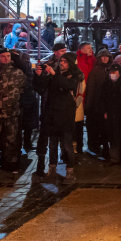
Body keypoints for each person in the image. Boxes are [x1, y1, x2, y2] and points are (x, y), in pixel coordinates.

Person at [34, 53, 83, 181]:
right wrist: (39, 76)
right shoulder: (55, 73)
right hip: (52, 114)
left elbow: (68, 86)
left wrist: (55, 75)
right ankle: (52, 169)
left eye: (65, 61)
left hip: (65, 114)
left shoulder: (75, 75)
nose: (62, 63)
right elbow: (41, 88)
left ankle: (70, 171)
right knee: (52, 144)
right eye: (61, 61)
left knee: (67, 144)